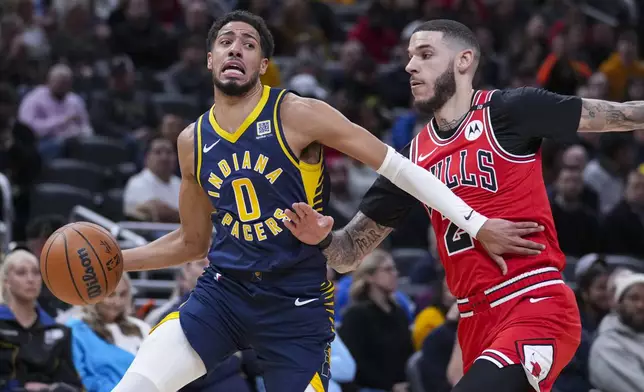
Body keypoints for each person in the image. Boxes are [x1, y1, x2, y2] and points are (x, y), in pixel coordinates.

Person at [111, 12, 544, 392]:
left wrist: (476, 223)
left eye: (248, 44)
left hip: (294, 304)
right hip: (223, 295)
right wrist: (115, 261)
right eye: (226, 42)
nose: (235, 50)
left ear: (263, 66)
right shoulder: (192, 141)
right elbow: (191, 242)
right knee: (135, 386)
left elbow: (401, 168)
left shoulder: (298, 114)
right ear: (210, 59)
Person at [284, 19, 644, 392]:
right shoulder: (411, 159)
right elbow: (347, 255)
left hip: (533, 303)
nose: (410, 66)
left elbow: (622, 115)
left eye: (425, 54)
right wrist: (322, 237)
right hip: (473, 322)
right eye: (409, 57)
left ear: (464, 60)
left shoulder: (509, 111)